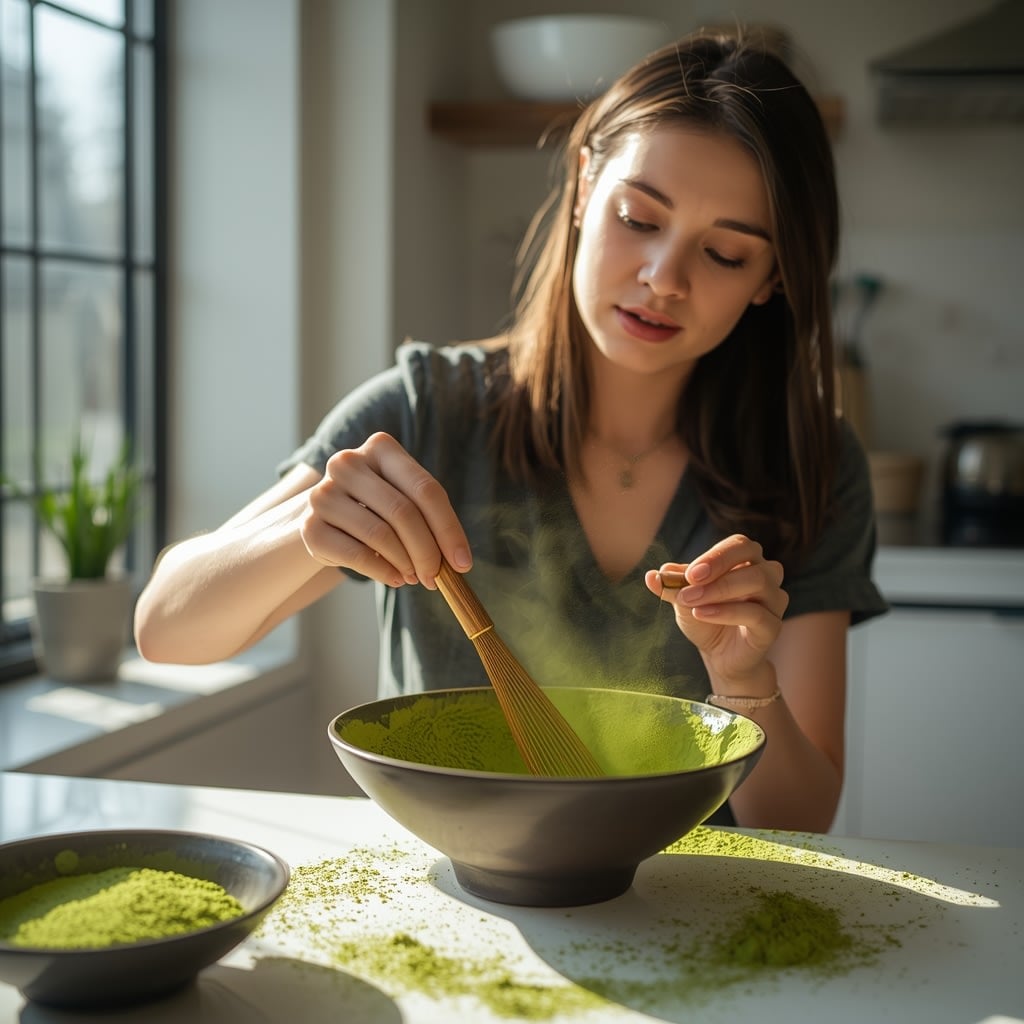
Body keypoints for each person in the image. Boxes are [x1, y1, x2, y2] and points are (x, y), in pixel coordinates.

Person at [134, 30, 888, 833]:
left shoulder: (812, 464)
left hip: (690, 923)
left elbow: (803, 821)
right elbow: (166, 633)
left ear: (772, 277)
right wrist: (306, 532)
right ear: (582, 188)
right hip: (452, 920)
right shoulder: (427, 414)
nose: (664, 278)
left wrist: (745, 683)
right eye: (638, 218)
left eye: (726, 254)